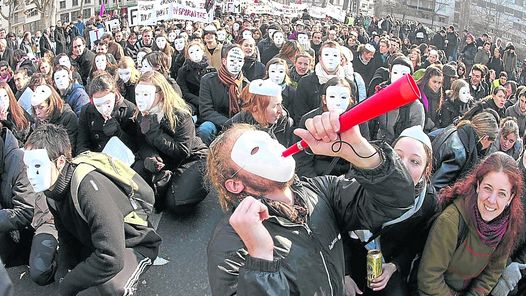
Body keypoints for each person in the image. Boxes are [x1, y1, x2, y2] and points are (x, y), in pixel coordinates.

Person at [206, 109, 416, 294]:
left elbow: (397, 201)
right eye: (254, 150)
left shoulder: (322, 191)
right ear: (235, 185)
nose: (271, 148)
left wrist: (357, 149)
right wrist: (260, 259)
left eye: (268, 139)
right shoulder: (230, 242)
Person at [22, 124, 162, 295]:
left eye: (37, 166)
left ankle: (131, 275)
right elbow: (67, 238)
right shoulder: (51, 191)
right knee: (68, 280)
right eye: (27, 166)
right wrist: (63, 278)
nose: (30, 174)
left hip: (133, 243)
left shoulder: (87, 186)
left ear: (60, 162)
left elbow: (111, 257)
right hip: (95, 242)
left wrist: (69, 284)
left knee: (110, 288)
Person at [344, 125, 437, 296]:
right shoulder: (362, 179)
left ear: (426, 171)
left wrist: (394, 266)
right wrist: (344, 272)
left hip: (385, 263)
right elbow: (334, 227)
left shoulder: (427, 201)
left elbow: (416, 242)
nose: (403, 166)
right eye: (398, 156)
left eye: (415, 161)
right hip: (349, 258)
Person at [418, 152, 524, 296]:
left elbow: (492, 272)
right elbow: (429, 278)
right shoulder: (451, 221)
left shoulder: (506, 225)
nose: (492, 200)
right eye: (488, 188)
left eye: (502, 193)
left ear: (510, 198)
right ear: (478, 185)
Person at [134, 71, 208, 211]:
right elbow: (141, 142)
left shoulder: (180, 114)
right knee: (137, 170)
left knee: (176, 204)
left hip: (193, 158)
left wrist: (154, 131)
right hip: (165, 160)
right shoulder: (140, 113)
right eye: (137, 94)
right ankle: (166, 181)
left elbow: (182, 150)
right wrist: (150, 157)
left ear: (160, 94)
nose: (140, 99)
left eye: (145, 94)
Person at [431, 111, 498, 192]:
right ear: (485, 138)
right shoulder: (460, 152)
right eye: (490, 143)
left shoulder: (455, 129)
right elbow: (437, 185)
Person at [198, 44, 248, 145]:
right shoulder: (208, 80)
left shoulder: (247, 85)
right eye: (232, 60)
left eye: (239, 61)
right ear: (224, 61)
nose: (236, 64)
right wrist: (229, 124)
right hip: (216, 123)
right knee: (205, 129)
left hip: (239, 124)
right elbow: (206, 110)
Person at [77, 72, 137, 154]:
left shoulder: (129, 110)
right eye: (98, 105)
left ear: (114, 94)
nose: (103, 109)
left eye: (107, 103)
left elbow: (135, 146)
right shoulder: (86, 111)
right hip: (96, 159)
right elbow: (82, 144)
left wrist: (118, 133)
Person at [225, 79, 292, 147]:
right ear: (256, 109)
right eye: (275, 106)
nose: (280, 111)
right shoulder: (234, 126)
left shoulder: (285, 122)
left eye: (281, 104)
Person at [28, 77, 78, 155]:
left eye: (41, 107)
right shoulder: (41, 119)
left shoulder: (68, 117)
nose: (37, 112)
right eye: (35, 108)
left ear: (51, 104)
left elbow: (69, 149)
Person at [177, 41, 213, 115]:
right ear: (188, 56)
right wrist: (199, 101)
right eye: (191, 52)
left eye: (197, 50)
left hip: (209, 104)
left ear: (202, 52)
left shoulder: (211, 70)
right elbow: (184, 92)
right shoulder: (183, 71)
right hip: (192, 104)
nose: (195, 54)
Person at [417, 66, 444, 132]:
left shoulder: (439, 95)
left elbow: (437, 116)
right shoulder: (418, 92)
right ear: (427, 80)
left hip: (432, 129)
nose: (437, 85)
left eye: (439, 83)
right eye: (434, 82)